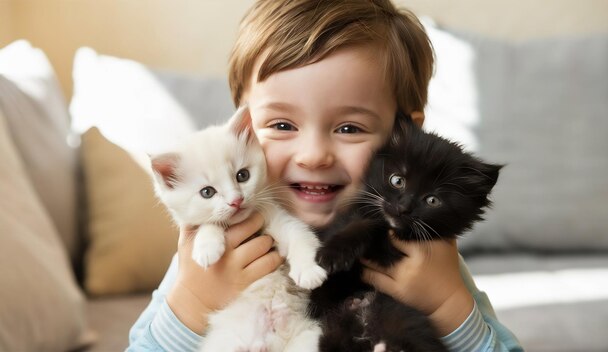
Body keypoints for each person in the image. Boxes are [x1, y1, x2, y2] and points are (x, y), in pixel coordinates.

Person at [128, 1, 523, 351]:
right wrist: (193, 305)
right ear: (243, 130)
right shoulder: (213, 249)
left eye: (349, 128)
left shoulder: (418, 254)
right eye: (282, 125)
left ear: (406, 137)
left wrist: (447, 304)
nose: (314, 155)